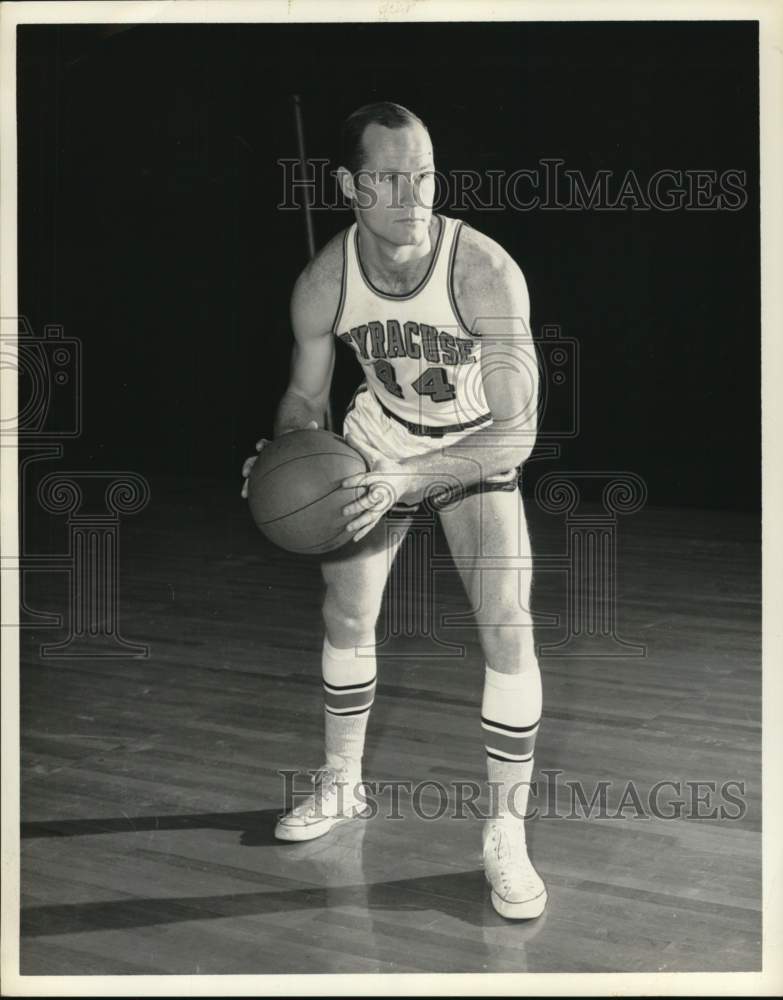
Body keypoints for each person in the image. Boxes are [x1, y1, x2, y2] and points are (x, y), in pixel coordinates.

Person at [241, 102, 545, 920]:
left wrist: (413, 480)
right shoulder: (323, 281)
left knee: (506, 624)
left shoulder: (483, 271)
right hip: (379, 435)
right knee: (346, 616)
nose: (411, 196)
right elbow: (305, 400)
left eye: (423, 175)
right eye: (386, 177)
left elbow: (518, 431)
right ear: (347, 185)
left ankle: (505, 835)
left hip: (472, 446)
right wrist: (280, 458)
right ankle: (342, 784)